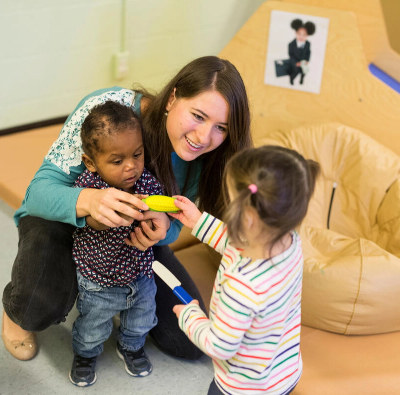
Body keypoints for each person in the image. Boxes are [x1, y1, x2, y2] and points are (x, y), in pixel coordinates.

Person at [2, 56, 252, 362]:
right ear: (173, 97)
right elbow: (37, 194)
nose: (203, 137)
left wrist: (160, 230)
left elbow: (174, 226)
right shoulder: (108, 110)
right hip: (62, 221)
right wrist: (89, 200)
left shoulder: (210, 158)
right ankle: (20, 312)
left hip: (129, 242)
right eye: (198, 116)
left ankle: (106, 293)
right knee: (36, 307)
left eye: (221, 127)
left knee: (187, 343)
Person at [170, 146, 320, 395]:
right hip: (284, 371)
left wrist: (190, 316)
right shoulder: (290, 242)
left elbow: (219, 346)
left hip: (244, 387)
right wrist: (198, 221)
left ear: (247, 218)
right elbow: (236, 242)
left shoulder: (241, 286)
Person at [69, 101, 164, 386]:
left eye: (137, 154)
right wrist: (112, 213)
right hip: (99, 278)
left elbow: (160, 212)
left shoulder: (147, 182)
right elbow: (93, 220)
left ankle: (131, 347)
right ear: (91, 162)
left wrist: (160, 215)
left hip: (141, 273)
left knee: (142, 319)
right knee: (93, 326)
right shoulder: (90, 186)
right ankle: (85, 354)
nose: (131, 166)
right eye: (117, 161)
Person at [288, 19, 316, 85]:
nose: (301, 36)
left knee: (304, 72)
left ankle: (302, 78)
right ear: (296, 33)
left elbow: (308, 52)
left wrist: (307, 60)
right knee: (295, 72)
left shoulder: (308, 44)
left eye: (304, 35)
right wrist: (296, 63)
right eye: (299, 34)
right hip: (295, 64)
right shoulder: (291, 44)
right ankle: (292, 79)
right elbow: (291, 55)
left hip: (303, 63)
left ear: (307, 35)